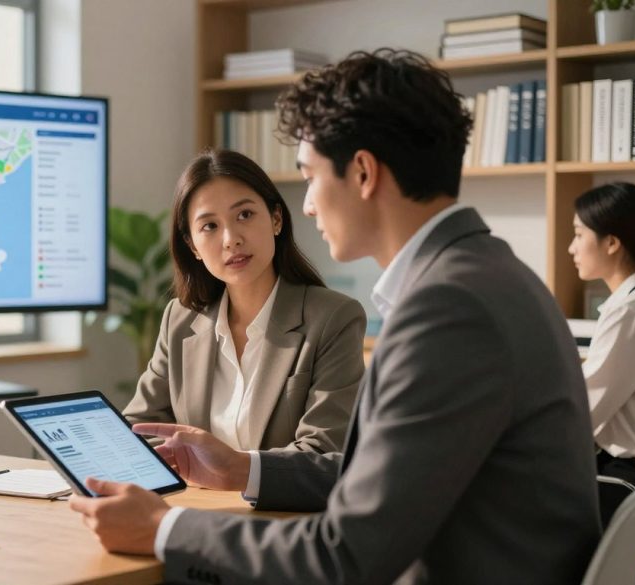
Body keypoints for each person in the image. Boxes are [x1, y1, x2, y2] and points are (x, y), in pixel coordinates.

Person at [70, 49, 600, 584]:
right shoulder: (487, 274)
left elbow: (345, 556)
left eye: (310, 175)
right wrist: (239, 467)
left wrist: (164, 528)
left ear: (363, 172)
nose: (306, 205)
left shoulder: (448, 310)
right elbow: (373, 481)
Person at [123, 149, 365, 452]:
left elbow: (324, 450)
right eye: (210, 226)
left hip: (276, 489)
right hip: (190, 487)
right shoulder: (180, 319)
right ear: (192, 246)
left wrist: (232, 469)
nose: (231, 239)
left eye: (245, 215)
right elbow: (138, 428)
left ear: (276, 219)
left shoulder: (334, 318)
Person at [569, 182, 635, 513]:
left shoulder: (630, 312)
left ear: (612, 242)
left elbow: (583, 411)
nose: (571, 248)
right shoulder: (632, 304)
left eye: (578, 235)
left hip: (621, 480)